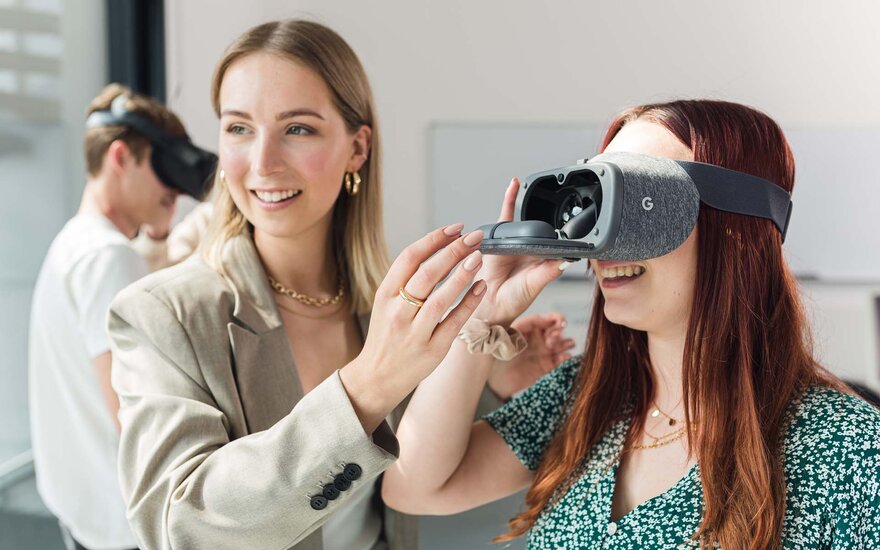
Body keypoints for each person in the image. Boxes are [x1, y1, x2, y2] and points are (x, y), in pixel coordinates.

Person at [107, 19, 573, 550]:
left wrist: (491, 374)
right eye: (239, 128)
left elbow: (418, 465)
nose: (262, 163)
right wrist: (367, 386)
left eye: (297, 129)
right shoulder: (161, 314)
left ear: (358, 148)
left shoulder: (388, 307)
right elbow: (179, 528)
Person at [382, 100, 880, 549]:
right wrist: (484, 314)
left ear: (735, 225)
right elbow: (414, 486)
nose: (607, 245)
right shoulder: (587, 398)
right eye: (600, 203)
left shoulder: (851, 452)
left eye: (641, 203)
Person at [28, 83, 210, 550]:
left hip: (86, 519)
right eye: (164, 167)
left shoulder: (75, 245)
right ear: (120, 157)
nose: (176, 189)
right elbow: (139, 419)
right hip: (126, 528)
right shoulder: (108, 257)